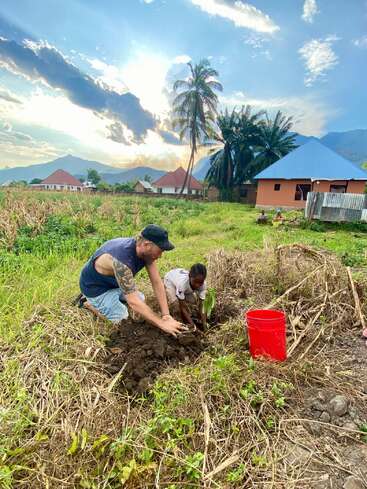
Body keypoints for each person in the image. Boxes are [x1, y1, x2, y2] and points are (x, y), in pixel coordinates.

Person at [78, 224, 186, 337]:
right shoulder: (121, 261)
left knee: (142, 299)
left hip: (114, 284)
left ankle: (110, 302)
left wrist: (166, 315)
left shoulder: (145, 253)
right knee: (122, 320)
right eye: (160, 250)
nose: (160, 255)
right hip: (96, 289)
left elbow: (157, 282)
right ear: (147, 245)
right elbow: (133, 302)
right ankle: (88, 304)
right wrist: (161, 324)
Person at [164, 263, 207, 329]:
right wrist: (192, 324)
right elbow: (182, 307)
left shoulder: (203, 285)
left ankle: (188, 317)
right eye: (195, 282)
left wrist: (204, 324)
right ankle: (178, 322)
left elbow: (202, 306)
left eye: (200, 282)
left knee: (193, 302)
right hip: (170, 281)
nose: (197, 285)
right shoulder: (182, 284)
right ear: (190, 276)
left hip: (184, 285)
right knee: (176, 305)